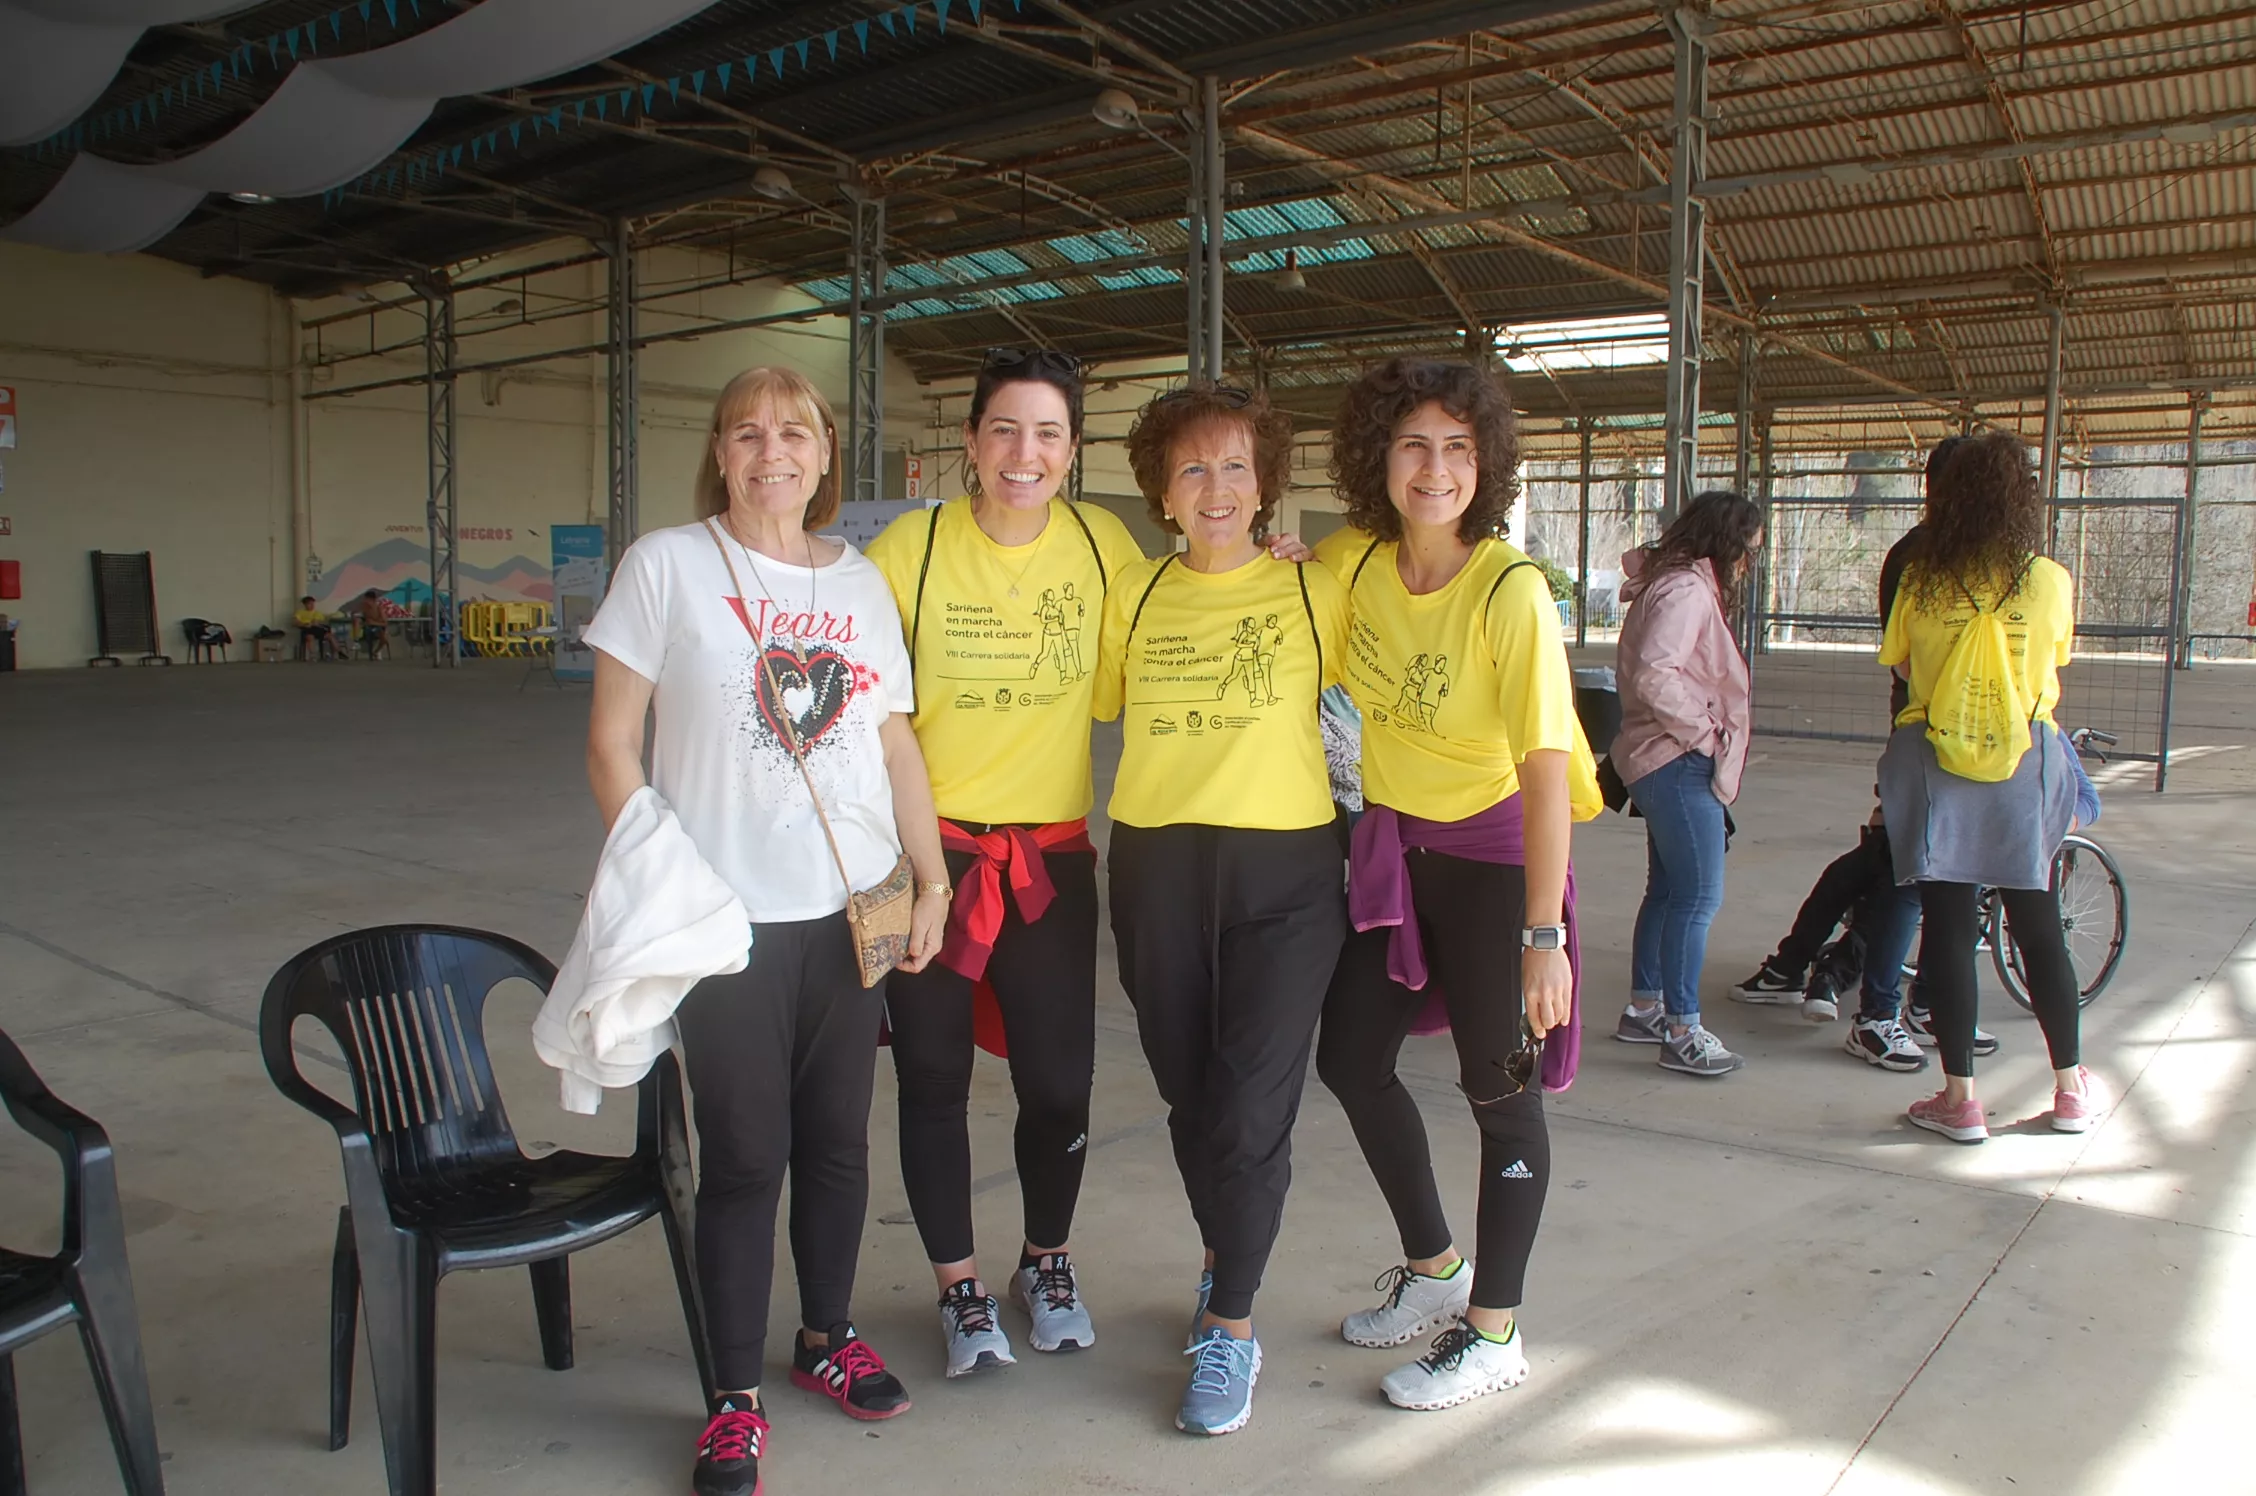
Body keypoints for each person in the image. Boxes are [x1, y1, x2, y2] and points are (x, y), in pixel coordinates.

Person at [584, 365, 950, 1496]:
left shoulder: (861, 584)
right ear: (720, 453)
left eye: (793, 431)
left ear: (826, 453)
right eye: (746, 432)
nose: (771, 450)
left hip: (851, 911)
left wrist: (931, 878)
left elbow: (892, 741)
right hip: (724, 925)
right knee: (746, 1155)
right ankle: (732, 1398)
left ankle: (826, 1335)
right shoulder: (665, 564)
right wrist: (665, 883)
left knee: (838, 1141)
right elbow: (610, 744)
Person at [1312, 357, 1600, 1412]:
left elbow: (1547, 771)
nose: (1435, 469)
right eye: (1414, 445)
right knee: (1350, 1059)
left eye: (1458, 448)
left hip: (1492, 867)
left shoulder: (1509, 591)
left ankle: (1495, 1332)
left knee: (1501, 1094)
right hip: (1396, 856)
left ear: (1487, 464)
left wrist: (1542, 935)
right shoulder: (1354, 564)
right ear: (1377, 457)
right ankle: (1436, 1266)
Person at [865, 347, 1143, 1378]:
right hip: (924, 856)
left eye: (1048, 433)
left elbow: (1181, 619)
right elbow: (862, 699)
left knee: (1060, 1083)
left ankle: (1046, 1260)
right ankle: (959, 1286)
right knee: (932, 1078)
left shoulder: (1102, 544)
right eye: (1005, 430)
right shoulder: (913, 547)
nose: (1026, 453)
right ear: (971, 441)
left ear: (1072, 448)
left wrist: (1271, 561)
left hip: (1048, 861)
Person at [1094, 381, 1349, 1436]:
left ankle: (1232, 1324)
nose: (1215, 487)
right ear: (1161, 490)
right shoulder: (1135, 593)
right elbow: (1094, 698)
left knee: (1251, 1105)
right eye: (1192, 467)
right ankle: (1223, 1255)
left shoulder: (1316, 588)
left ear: (1266, 483)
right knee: (1192, 1095)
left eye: (1237, 465)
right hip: (1156, 863)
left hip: (1286, 873)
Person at [1879, 431, 2103, 1144]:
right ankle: (2069, 1090)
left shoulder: (1921, 579)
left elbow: (1901, 665)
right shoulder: (2049, 579)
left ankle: (1961, 1101)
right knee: (2037, 925)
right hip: (2024, 764)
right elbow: (2054, 659)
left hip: (1937, 760)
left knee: (1947, 928)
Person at [1612, 491, 1765, 1077]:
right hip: (1676, 762)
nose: (1748, 563)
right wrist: (1705, 735)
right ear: (1726, 544)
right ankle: (1682, 1029)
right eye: (1748, 549)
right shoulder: (1686, 590)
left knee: (1670, 890)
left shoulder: (1672, 582)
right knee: (1698, 897)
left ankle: (1644, 1008)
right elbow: (1656, 674)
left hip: (1661, 760)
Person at [350, 589, 390, 660]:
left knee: (384, 638)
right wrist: (354, 615)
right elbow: (353, 612)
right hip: (367, 627)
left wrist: (373, 622)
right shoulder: (364, 606)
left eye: (368, 600)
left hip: (378, 628)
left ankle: (376, 652)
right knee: (356, 620)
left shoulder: (379, 608)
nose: (366, 601)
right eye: (365, 599)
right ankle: (356, 642)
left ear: (373, 600)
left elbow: (385, 623)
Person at [293, 595, 334, 661]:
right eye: (310, 604)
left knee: (330, 636)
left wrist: (313, 623)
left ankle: (338, 652)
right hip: (306, 629)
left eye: (313, 604)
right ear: (305, 605)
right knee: (310, 637)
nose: (312, 605)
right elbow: (295, 622)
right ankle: (313, 655)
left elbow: (317, 622)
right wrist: (304, 624)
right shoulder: (300, 612)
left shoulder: (317, 613)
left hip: (316, 629)